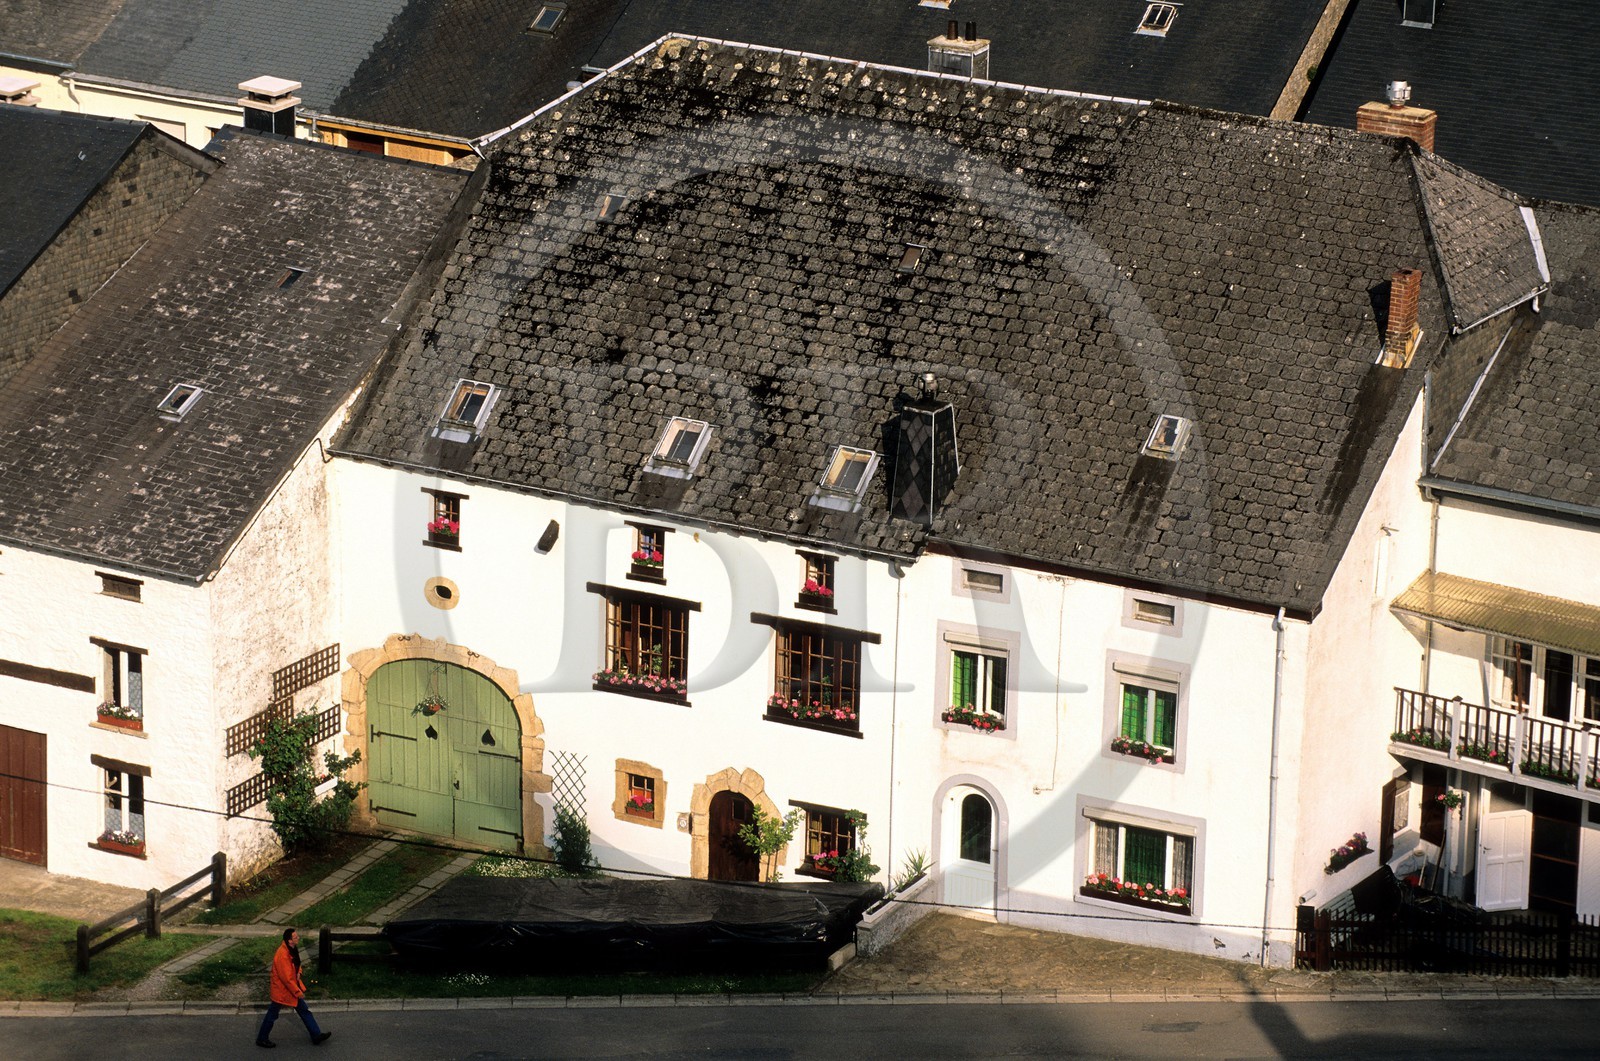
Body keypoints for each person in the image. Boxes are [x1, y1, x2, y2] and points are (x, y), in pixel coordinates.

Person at [256, 927, 332, 1048]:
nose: (298, 938)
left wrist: (299, 972)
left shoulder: (291, 949)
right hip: (283, 990)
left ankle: (316, 1035)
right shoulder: (282, 955)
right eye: (295, 937)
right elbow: (286, 978)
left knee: (302, 1011)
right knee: (273, 1014)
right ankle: (262, 1038)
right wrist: (297, 992)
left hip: (288, 989)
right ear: (289, 940)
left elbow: (297, 964)